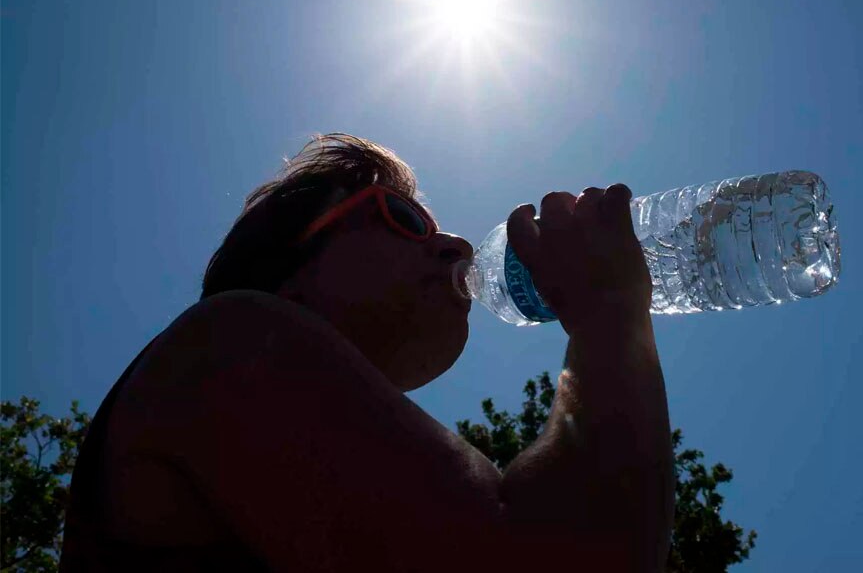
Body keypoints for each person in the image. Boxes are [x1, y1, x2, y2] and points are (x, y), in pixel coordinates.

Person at [59, 133, 674, 572]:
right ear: (291, 269)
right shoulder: (225, 343)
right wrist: (608, 318)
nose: (457, 245)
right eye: (404, 217)